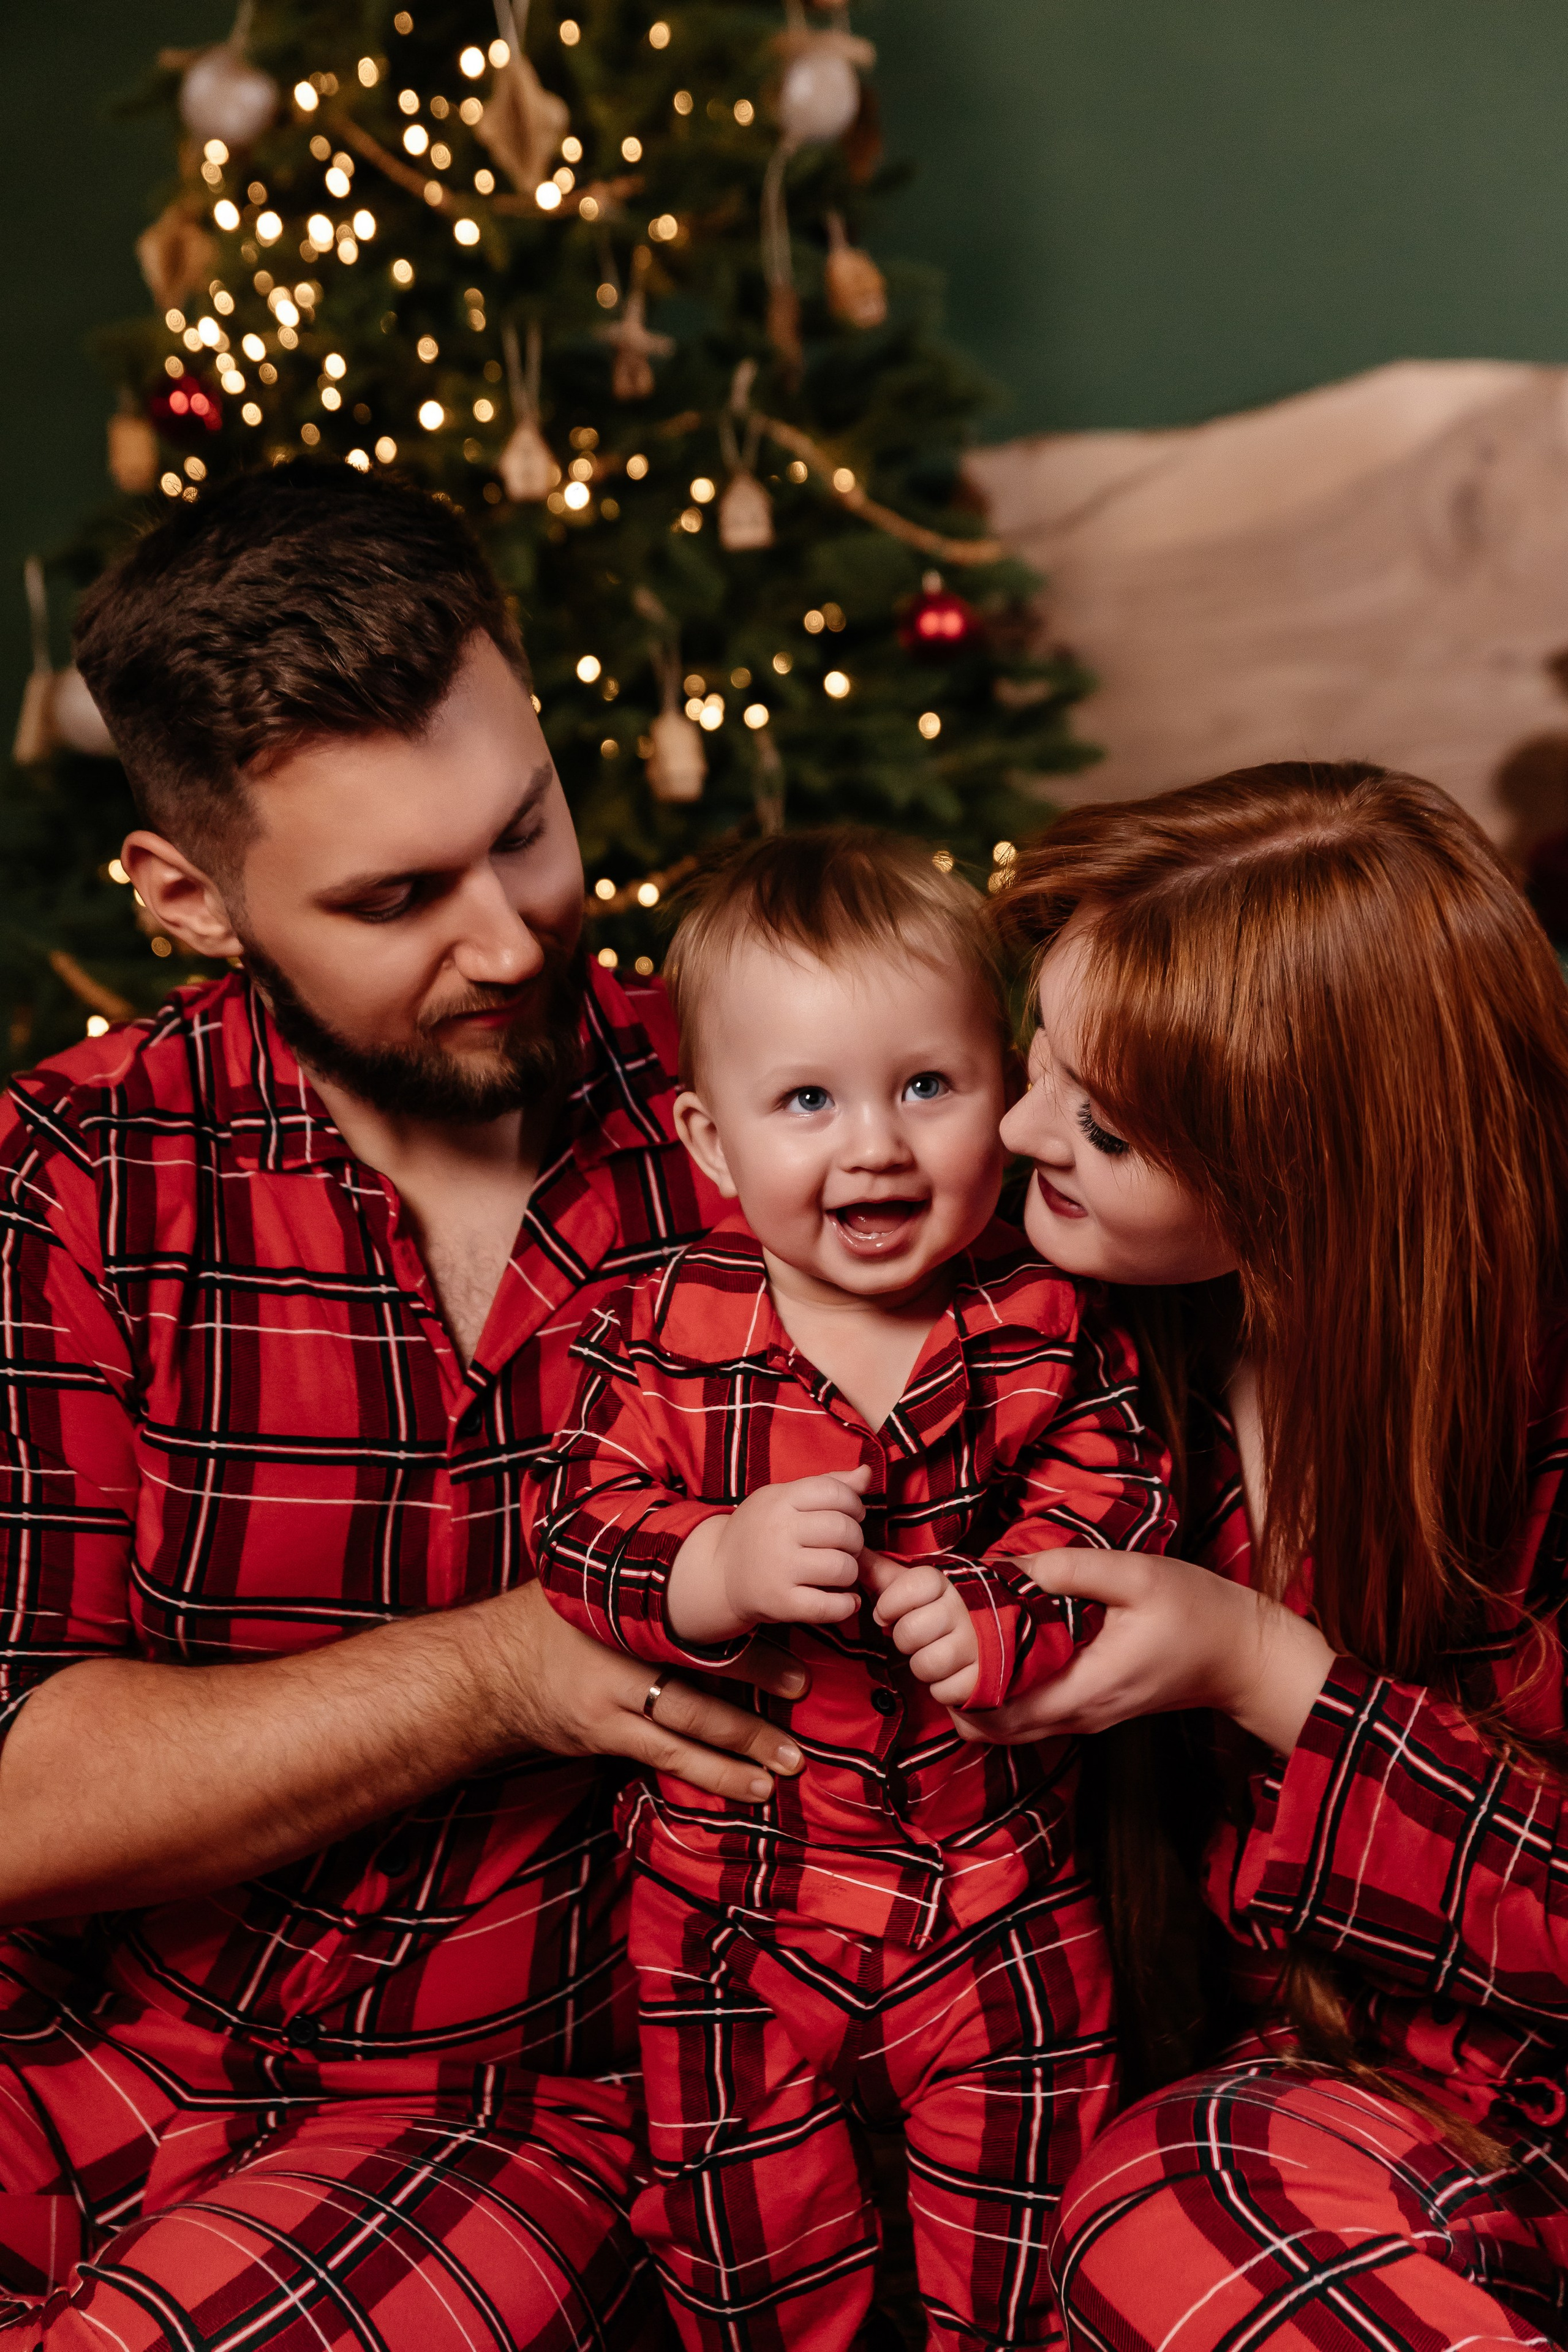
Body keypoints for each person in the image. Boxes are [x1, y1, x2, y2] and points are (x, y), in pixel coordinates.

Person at [0, 465, 809, 2352]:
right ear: (189, 898)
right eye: (395, 899)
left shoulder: (777, 1128)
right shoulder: (72, 1175)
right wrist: (511, 1666)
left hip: (488, 2110)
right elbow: (18, 1792)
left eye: (525, 831)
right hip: (64, 2052)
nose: (513, 940)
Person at [531, 831, 1175, 2351]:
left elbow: (1118, 1496)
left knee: (1019, 2219)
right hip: (732, 1903)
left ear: (1001, 1090)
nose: (874, 1146)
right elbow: (581, 1528)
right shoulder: (661, 1329)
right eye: (808, 1101)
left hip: (992, 1884)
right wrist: (711, 1565)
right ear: (709, 1139)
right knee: (748, 2236)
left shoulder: (1044, 1317)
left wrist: (1005, 1608)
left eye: (926, 1086)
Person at [968, 761, 1568, 2350]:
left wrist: (1266, 1672)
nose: (1016, 1127)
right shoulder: (1089, 1332)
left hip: (1514, 2111)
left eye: (1097, 1122)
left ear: (1297, 1172)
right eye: (1033, 1055)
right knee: (1163, 2214)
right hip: (1330, 2123)